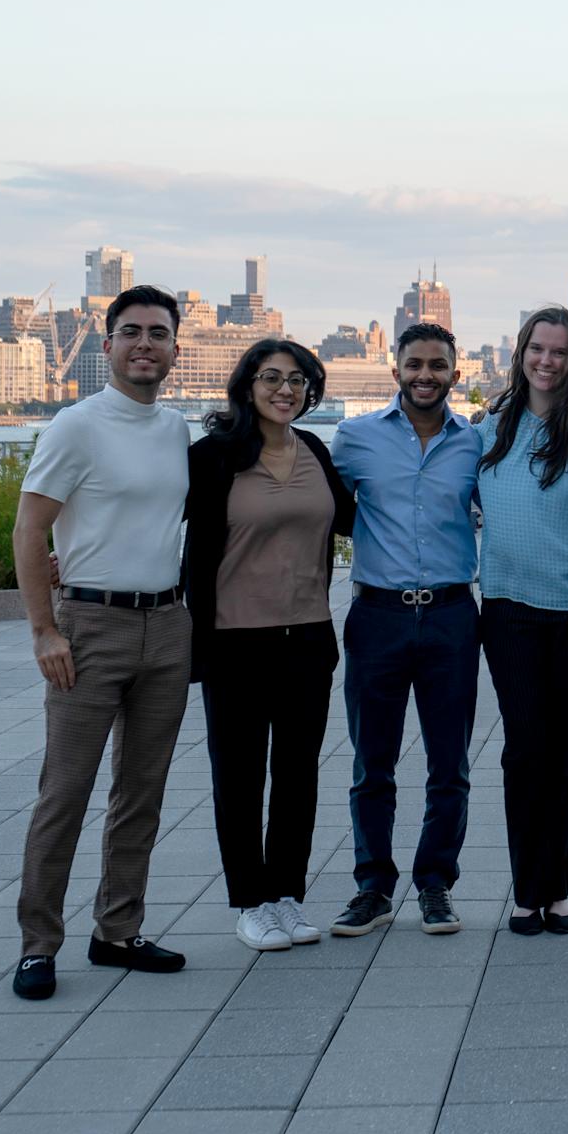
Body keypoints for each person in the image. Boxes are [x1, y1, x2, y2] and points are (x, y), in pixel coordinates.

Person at [8, 285, 193, 1000]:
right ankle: (37, 944)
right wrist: (44, 630)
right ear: (108, 345)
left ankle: (117, 930)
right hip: (90, 628)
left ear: (175, 348)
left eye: (158, 333)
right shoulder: (75, 427)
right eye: (131, 333)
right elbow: (29, 531)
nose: (145, 344)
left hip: (167, 625)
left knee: (141, 793)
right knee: (66, 792)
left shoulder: (176, 429)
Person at [184, 338, 355, 953]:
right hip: (234, 640)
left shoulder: (313, 450)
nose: (286, 389)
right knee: (239, 775)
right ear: (247, 385)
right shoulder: (213, 457)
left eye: (298, 380)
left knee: (297, 774)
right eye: (271, 378)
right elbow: (174, 539)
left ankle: (286, 894)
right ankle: (250, 901)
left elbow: (357, 520)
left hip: (307, 637)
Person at [328, 322, 481, 937]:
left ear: (455, 373)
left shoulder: (475, 444)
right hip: (378, 615)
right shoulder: (353, 439)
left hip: (450, 615)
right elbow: (310, 506)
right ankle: (373, 886)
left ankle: (436, 883)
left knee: (451, 763)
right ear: (395, 371)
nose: (426, 375)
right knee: (373, 763)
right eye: (414, 364)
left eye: (437, 365)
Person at [476, 308, 568, 936]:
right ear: (522, 351)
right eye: (538, 348)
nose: (548, 361)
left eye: (560, 351)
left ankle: (556, 892)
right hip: (507, 612)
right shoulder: (490, 428)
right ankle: (525, 890)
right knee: (524, 750)